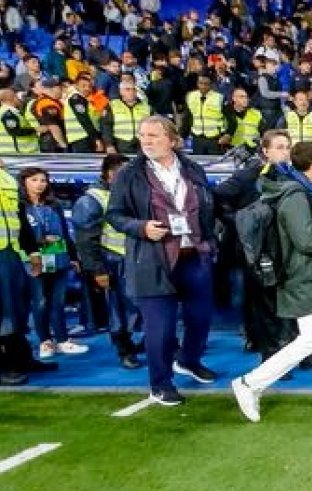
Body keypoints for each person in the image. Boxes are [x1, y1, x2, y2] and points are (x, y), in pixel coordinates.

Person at [231, 140, 312, 423]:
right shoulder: (297, 197)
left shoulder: (300, 191)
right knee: (310, 339)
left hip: (311, 274)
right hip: (303, 275)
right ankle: (249, 384)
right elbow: (307, 241)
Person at [107, 116, 217, 406]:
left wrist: (210, 242)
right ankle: (160, 383)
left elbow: (208, 207)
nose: (146, 140)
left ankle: (189, 360)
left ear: (172, 139)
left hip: (194, 255)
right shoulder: (129, 174)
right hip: (153, 260)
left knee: (201, 319)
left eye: (154, 135)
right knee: (161, 328)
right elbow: (115, 215)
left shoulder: (192, 169)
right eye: (143, 135)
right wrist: (141, 228)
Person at [214, 129, 297, 362]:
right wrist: (236, 221)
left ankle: (285, 349)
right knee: (259, 302)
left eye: (287, 147)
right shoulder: (248, 176)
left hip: (284, 249)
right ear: (265, 151)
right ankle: (268, 352)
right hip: (254, 252)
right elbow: (216, 196)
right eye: (279, 147)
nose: (285, 152)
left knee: (281, 302)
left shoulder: (293, 176)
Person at [72, 153, 142, 369]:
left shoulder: (129, 193)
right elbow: (86, 239)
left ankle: (141, 342)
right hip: (113, 260)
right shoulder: (92, 199)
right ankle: (124, 349)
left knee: (139, 305)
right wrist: (97, 270)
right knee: (119, 308)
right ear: (110, 174)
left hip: (136, 257)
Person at [19, 167, 89, 359]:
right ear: (24, 182)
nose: (40, 184)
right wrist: (39, 241)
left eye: (43, 180)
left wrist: (73, 257)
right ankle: (45, 341)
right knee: (40, 302)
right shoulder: (19, 206)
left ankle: (62, 340)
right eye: (34, 180)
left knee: (58, 302)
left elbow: (65, 233)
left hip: (58, 258)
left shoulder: (55, 205)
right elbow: (20, 235)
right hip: (33, 261)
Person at [0, 159, 57, 385]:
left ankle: (21, 358)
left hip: (11, 253)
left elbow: (19, 220)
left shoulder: (6, 178)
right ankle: (4, 366)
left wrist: (33, 252)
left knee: (17, 309)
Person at [181, 74, 229, 155]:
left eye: (206, 84)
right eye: (200, 83)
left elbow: (231, 120)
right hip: (197, 138)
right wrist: (182, 136)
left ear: (211, 84)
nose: (203, 86)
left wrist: (227, 135)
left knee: (216, 166)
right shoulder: (191, 96)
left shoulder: (220, 98)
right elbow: (187, 118)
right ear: (197, 83)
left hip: (216, 139)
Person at [100, 81, 151, 154]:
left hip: (142, 144)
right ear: (121, 91)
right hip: (121, 144)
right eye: (128, 89)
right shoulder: (112, 105)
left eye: (134, 89)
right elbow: (106, 126)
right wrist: (109, 145)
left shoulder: (146, 107)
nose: (132, 91)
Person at [0, 88, 39, 154]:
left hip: (17, 152)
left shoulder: (7, 111)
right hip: (18, 152)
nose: (19, 99)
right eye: (17, 96)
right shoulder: (8, 114)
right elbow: (15, 131)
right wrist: (35, 129)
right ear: (13, 98)